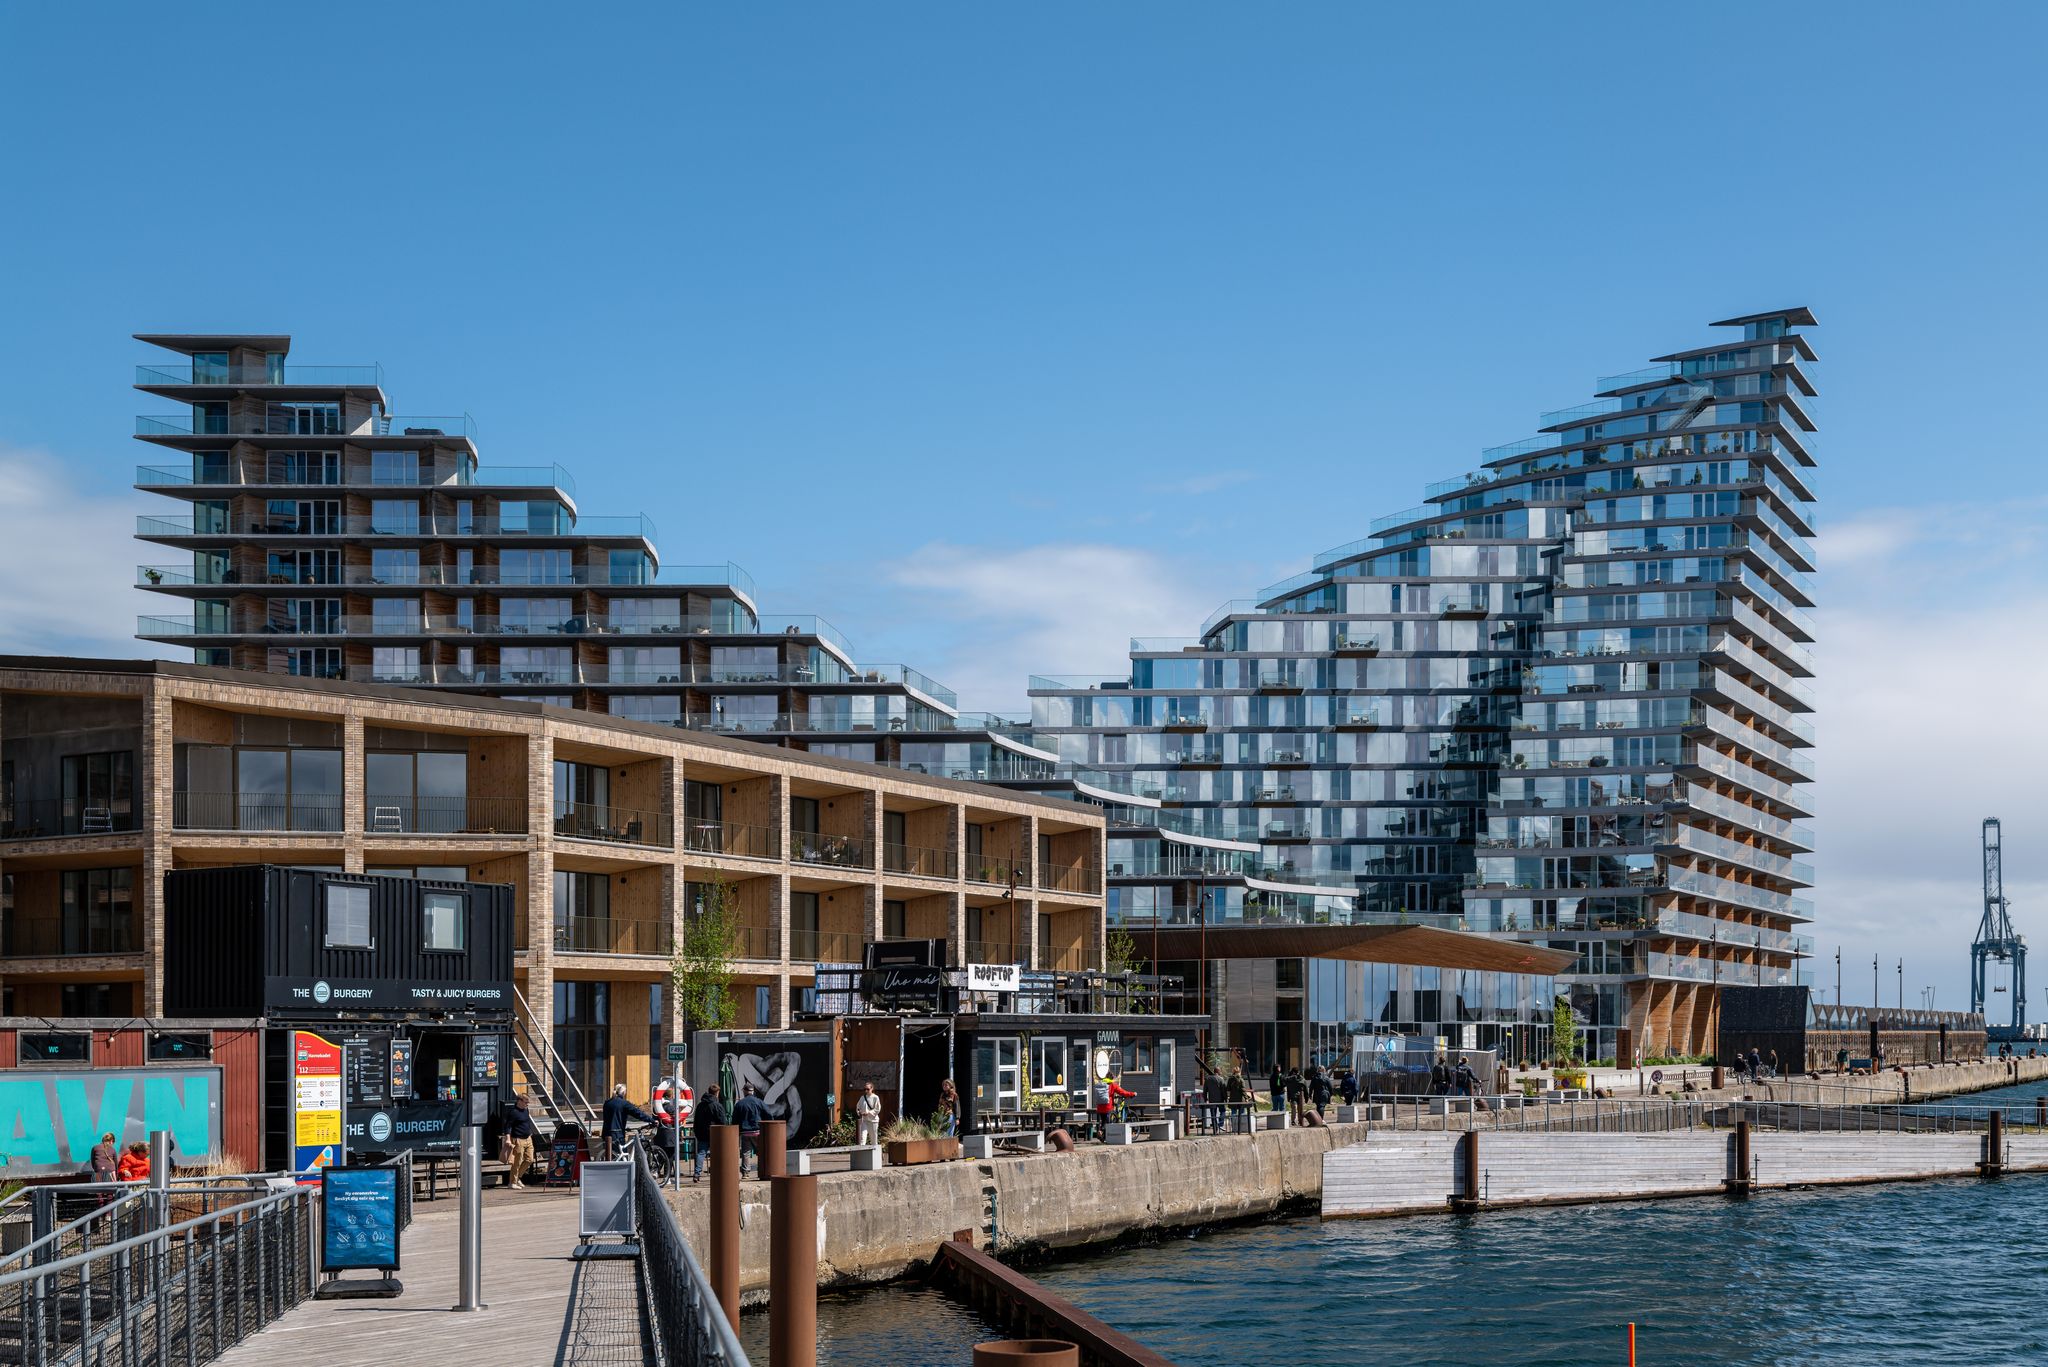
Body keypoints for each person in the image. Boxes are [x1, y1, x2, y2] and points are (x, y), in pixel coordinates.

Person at [602, 1083, 655, 1160]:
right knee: (622, 1158)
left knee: (610, 1157)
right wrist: (652, 1120)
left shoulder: (607, 1103)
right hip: (617, 1134)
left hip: (606, 1133)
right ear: (623, 1092)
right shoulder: (624, 1103)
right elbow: (638, 1113)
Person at [502, 1092, 541, 1189]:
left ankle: (517, 1177)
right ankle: (512, 1183)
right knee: (517, 1161)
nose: (527, 1104)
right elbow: (508, 1126)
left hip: (528, 1138)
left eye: (528, 1102)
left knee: (530, 1159)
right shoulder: (513, 1112)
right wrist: (508, 1139)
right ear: (519, 1101)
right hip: (518, 1139)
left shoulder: (526, 1109)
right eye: (526, 1102)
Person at [690, 1083, 728, 1183]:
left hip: (702, 1133)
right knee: (717, 1153)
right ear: (717, 1093)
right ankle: (717, 1172)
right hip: (715, 1133)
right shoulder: (717, 1105)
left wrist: (697, 1132)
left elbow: (696, 1120)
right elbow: (722, 1121)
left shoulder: (700, 1105)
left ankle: (697, 1174)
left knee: (701, 1153)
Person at [731, 1084, 768, 1176]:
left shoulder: (739, 1104)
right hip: (757, 1131)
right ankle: (763, 1171)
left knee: (745, 1153)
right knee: (761, 1152)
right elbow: (768, 1114)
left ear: (744, 1091)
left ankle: (745, 1173)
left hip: (745, 1132)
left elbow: (734, 1119)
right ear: (753, 1091)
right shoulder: (759, 1102)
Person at [854, 1081, 883, 1148]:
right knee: (862, 1138)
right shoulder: (862, 1097)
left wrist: (868, 1113)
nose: (866, 1091)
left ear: (872, 1089)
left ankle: (875, 1153)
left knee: (873, 1139)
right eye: (865, 1089)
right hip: (864, 1120)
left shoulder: (875, 1097)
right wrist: (860, 1112)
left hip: (873, 1121)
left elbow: (878, 1109)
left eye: (868, 1089)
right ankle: (862, 1153)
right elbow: (858, 1107)